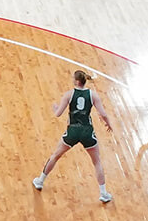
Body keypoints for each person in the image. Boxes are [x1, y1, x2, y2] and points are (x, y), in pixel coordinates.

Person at [32, 70, 114, 202]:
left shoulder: (69, 95)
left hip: (73, 131)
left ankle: (40, 181)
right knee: (97, 162)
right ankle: (103, 193)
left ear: (76, 81)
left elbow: (58, 114)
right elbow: (103, 114)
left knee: (55, 156)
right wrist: (108, 124)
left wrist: (55, 108)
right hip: (87, 132)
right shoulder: (93, 95)